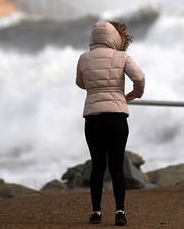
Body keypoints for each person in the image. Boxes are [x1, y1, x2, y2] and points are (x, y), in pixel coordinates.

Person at [76, 19, 145, 225]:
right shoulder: (122, 57)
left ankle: (96, 212)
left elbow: (80, 83)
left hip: (93, 118)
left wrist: (95, 89)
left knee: (97, 166)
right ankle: (120, 212)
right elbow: (139, 77)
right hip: (117, 117)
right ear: (115, 37)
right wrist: (134, 94)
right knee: (117, 167)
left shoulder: (84, 58)